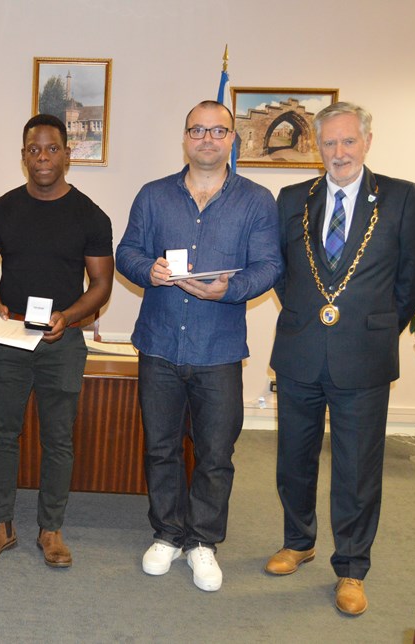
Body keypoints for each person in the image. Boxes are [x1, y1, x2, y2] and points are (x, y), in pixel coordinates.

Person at [266, 102, 415, 615]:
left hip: (365, 354)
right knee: (294, 458)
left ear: (366, 142)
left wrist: (377, 325)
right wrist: (304, 311)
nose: (339, 152)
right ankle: (299, 542)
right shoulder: (292, 198)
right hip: (299, 350)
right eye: (330, 143)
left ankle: (352, 567)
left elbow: (414, 278)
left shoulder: (401, 198)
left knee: (358, 468)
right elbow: (279, 270)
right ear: (318, 146)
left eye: (348, 142)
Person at [116, 100, 282, 592]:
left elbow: (270, 266)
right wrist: (148, 270)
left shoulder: (256, 200)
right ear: (185, 138)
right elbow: (126, 251)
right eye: (197, 130)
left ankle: (203, 541)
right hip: (160, 345)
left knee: (215, 452)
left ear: (232, 138)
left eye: (218, 131)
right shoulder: (153, 196)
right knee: (161, 447)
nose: (207, 139)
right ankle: (168, 533)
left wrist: (228, 289)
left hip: (220, 349)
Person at [0, 114, 114, 568]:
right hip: (9, 341)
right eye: (34, 149)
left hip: (62, 342)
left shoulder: (91, 216)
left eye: (52, 149)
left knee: (58, 439)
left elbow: (101, 285)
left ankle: (51, 529)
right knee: (2, 435)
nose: (43, 158)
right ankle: (0, 526)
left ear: (68, 155)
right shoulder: (0, 210)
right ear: (23, 156)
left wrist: (68, 317)